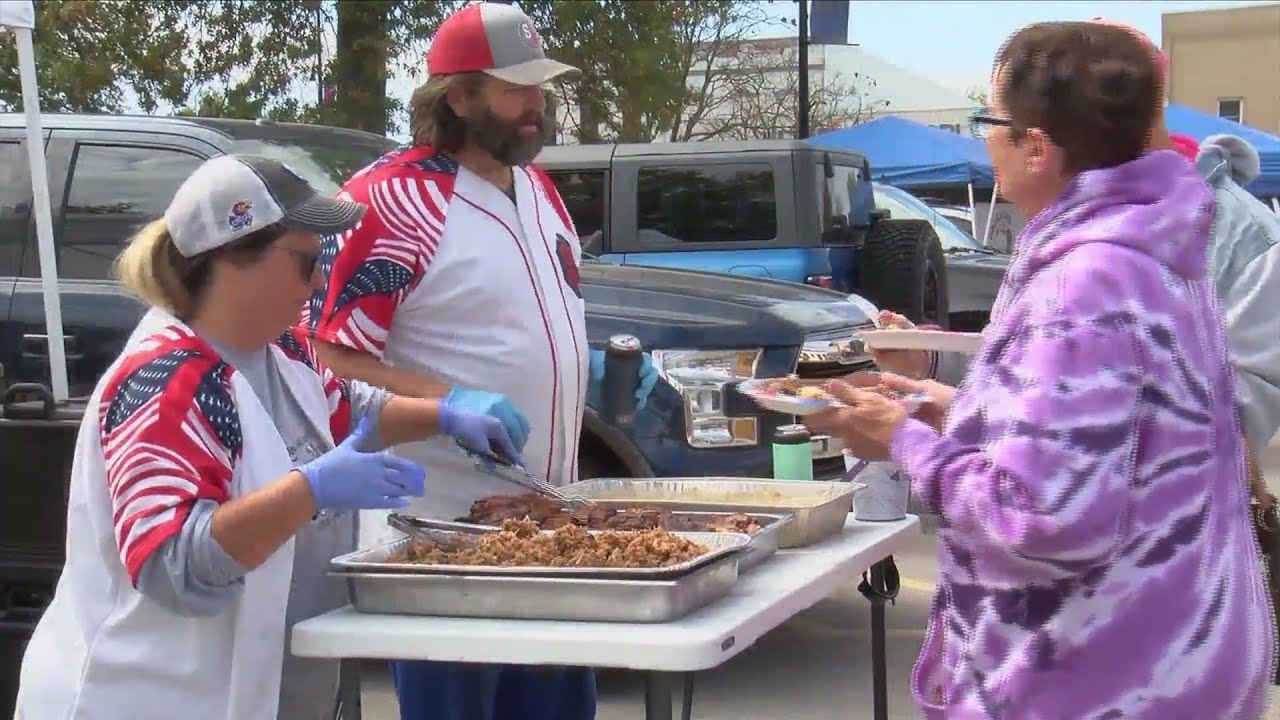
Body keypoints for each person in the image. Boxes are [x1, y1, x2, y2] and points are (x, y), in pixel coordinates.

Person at [808, 22, 1274, 717]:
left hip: (1100, 681)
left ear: (1035, 146)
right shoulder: (1153, 246)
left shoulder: (1082, 281)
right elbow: (1130, 438)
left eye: (987, 121)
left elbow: (1046, 522)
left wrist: (903, 444)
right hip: (1175, 651)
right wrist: (958, 410)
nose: (982, 141)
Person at [14, 154, 521, 720]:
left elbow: (349, 408)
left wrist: (446, 414)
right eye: (307, 261)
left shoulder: (281, 348)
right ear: (234, 259)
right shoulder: (166, 384)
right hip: (156, 698)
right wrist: (309, 491)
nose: (323, 277)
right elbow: (174, 566)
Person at [301, 4, 658, 719]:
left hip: (552, 532)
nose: (537, 105)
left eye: (541, 88)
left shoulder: (540, 190)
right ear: (458, 97)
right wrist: (447, 401)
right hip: (441, 542)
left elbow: (519, 318)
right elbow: (324, 361)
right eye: (515, 88)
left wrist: (586, 364)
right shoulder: (387, 200)